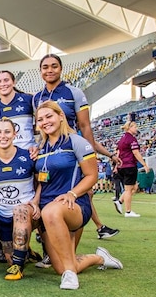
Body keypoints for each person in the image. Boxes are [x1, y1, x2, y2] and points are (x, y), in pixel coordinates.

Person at [33, 101, 123, 290]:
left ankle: (71, 276)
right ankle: (99, 257)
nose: (45, 122)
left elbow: (92, 175)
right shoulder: (40, 147)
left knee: (50, 212)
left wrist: (72, 193)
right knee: (60, 266)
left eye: (49, 116)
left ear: (61, 116)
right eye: (40, 119)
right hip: (47, 208)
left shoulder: (76, 141)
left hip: (74, 205)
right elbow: (42, 180)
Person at [31, 54, 120, 240]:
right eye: (45, 67)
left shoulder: (74, 92)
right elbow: (40, 128)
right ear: (40, 72)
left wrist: (89, 156)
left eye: (54, 66)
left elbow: (85, 126)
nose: (49, 70)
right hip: (49, 151)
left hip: (71, 151)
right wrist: (38, 147)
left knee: (79, 195)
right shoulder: (36, 98)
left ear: (61, 69)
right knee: (46, 191)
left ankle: (75, 245)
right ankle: (52, 241)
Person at [0, 118, 39, 280]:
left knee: (20, 210)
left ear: (15, 134)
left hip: (26, 213)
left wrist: (35, 202)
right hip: (3, 216)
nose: (3, 136)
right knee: (10, 259)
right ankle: (26, 252)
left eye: (7, 131)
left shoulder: (28, 156)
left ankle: (19, 268)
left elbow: (40, 182)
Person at [0, 70, 35, 150]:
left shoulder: (28, 99)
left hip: (28, 152)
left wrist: (38, 147)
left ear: (14, 82)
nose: (3, 84)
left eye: (6, 80)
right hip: (4, 155)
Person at [114, 121, 149, 217]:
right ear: (130, 127)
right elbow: (136, 153)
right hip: (129, 165)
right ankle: (128, 211)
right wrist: (144, 164)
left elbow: (118, 152)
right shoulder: (131, 139)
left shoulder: (122, 138)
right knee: (129, 189)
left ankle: (120, 201)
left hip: (122, 165)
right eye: (135, 127)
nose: (136, 129)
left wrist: (116, 165)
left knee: (134, 187)